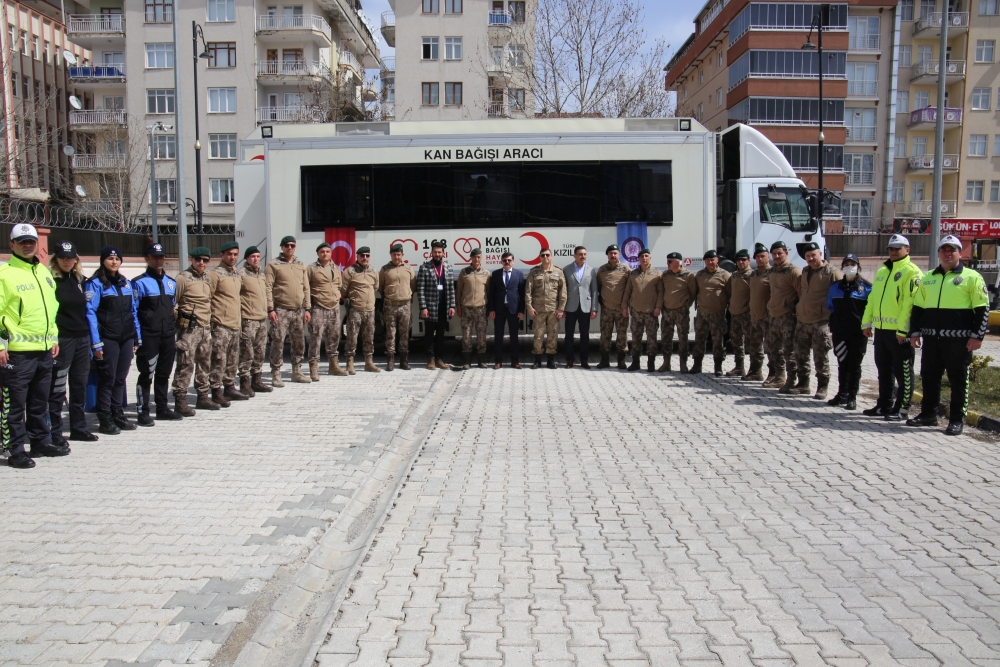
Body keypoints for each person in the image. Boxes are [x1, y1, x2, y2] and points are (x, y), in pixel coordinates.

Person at [906, 235, 990, 436]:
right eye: (944, 249)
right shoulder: (929, 278)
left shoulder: (972, 277)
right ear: (939, 253)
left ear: (960, 253)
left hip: (959, 341)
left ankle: (956, 420)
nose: (948, 253)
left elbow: (982, 309)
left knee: (958, 380)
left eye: (952, 250)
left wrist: (977, 336)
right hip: (932, 339)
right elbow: (917, 308)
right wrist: (914, 332)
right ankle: (928, 415)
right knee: (929, 378)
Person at [0, 224, 65, 469]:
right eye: (22, 241)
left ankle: (39, 441)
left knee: (39, 402)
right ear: (12, 244)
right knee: (14, 405)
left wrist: (54, 338)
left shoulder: (44, 272)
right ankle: (15, 449)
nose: (27, 245)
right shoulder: (5, 274)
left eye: (31, 241)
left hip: (44, 350)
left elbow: (52, 310)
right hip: (16, 352)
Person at [861, 234, 922, 420]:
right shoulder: (883, 271)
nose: (893, 252)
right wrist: (866, 322)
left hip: (899, 333)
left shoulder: (912, 272)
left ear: (907, 250)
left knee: (903, 373)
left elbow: (909, 304)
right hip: (881, 330)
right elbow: (872, 299)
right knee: (884, 371)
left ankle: (902, 408)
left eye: (898, 248)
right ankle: (884, 404)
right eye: (891, 249)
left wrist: (903, 330)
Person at [85, 246, 141, 435]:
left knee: (120, 378)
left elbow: (133, 311)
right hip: (107, 338)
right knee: (107, 379)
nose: (114, 262)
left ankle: (118, 413)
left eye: (117, 259)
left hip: (125, 337)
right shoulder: (95, 284)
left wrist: (136, 336)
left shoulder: (125, 283)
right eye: (110, 258)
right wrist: (96, 343)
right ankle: (105, 417)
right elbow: (90, 313)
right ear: (103, 261)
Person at [48, 241, 97, 445]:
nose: (67, 261)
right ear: (56, 259)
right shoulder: (50, 281)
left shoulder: (80, 280)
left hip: (82, 338)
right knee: (57, 387)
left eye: (71, 257)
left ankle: (78, 427)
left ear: (76, 259)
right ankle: (55, 432)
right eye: (63, 257)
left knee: (79, 385)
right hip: (62, 339)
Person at [131, 242, 182, 425]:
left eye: (161, 257)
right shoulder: (138, 283)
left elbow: (172, 308)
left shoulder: (171, 283)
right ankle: (142, 411)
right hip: (148, 335)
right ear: (147, 259)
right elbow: (133, 312)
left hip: (167, 335)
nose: (158, 260)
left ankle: (162, 408)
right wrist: (137, 337)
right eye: (154, 257)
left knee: (163, 373)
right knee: (147, 374)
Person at [789, 242, 841, 398]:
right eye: (807, 256)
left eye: (813, 255)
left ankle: (822, 387)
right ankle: (803, 384)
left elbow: (839, 297)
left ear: (820, 254)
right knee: (800, 354)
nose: (811, 258)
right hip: (803, 320)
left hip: (821, 321)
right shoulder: (805, 271)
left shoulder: (832, 272)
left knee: (820, 356)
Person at [173, 246, 216, 414]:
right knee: (185, 364)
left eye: (205, 260)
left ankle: (203, 396)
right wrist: (179, 318)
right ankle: (180, 399)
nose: (201, 263)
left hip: (205, 327)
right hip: (189, 329)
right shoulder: (183, 278)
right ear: (191, 259)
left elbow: (209, 300)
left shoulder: (207, 279)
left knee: (204, 363)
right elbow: (172, 302)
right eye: (198, 259)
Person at [826, 253, 871, 410]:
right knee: (842, 363)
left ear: (858, 267)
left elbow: (870, 310)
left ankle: (852, 396)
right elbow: (830, 306)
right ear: (842, 267)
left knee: (855, 365)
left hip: (858, 334)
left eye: (853, 264)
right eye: (846, 264)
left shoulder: (866, 288)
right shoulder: (835, 287)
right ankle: (842, 394)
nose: (849, 267)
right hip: (840, 333)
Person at [266, 235, 311, 386]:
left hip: (298, 310)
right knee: (278, 341)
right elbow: (268, 287)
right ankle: (276, 373)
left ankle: (297, 371)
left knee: (299, 342)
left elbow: (306, 287)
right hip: (281, 310)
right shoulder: (273, 264)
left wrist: (307, 308)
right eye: (286, 245)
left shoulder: (300, 264)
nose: (289, 247)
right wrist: (270, 309)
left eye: (292, 245)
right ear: (282, 247)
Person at [209, 241, 248, 406]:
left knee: (233, 358)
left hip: (235, 324)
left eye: (235, 254)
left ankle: (230, 387)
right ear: (222, 255)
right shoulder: (215, 274)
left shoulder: (237, 274)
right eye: (229, 254)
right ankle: (216, 391)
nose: (232, 257)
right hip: (221, 324)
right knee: (219, 359)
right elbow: (208, 298)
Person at [764, 241, 802, 389]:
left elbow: (801, 293)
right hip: (773, 316)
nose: (777, 256)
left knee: (789, 350)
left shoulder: (793, 271)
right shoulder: (773, 271)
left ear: (786, 253)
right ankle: (779, 377)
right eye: (774, 254)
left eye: (780, 253)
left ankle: (792, 379)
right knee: (774, 349)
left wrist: (795, 312)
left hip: (787, 317)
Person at [238, 246, 273, 396]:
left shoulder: (262, 275)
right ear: (246, 258)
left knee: (260, 351)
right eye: (252, 256)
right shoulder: (241, 275)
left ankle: (257, 380)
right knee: (247, 352)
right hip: (248, 319)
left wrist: (270, 309)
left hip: (261, 318)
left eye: (258, 256)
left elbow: (267, 293)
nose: (256, 259)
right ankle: (244, 382)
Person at [525, 248, 567, 369]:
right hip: (538, 310)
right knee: (538, 335)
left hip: (553, 310)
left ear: (551, 256)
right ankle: (537, 360)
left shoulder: (558, 272)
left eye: (547, 255)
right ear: (540, 257)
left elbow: (562, 292)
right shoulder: (534, 272)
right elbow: (528, 291)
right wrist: (529, 307)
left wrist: (561, 308)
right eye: (543, 255)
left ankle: (551, 360)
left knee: (552, 335)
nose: (545, 257)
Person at [309, 242, 346, 378]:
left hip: (333, 307)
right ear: (318, 254)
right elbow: (306, 288)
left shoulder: (335, 268)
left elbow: (339, 285)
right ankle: (313, 367)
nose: (325, 254)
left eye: (327, 251)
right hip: (318, 306)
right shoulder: (311, 269)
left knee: (334, 336)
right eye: (322, 252)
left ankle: (333, 365)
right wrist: (307, 307)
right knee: (316, 337)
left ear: (331, 253)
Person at [691, 250, 731, 376]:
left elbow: (730, 293)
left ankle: (718, 366)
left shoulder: (724, 275)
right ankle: (697, 364)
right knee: (699, 340)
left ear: (717, 260)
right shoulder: (700, 275)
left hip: (717, 313)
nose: (710, 262)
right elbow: (695, 291)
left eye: (712, 259)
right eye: (707, 260)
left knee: (718, 341)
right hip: (702, 313)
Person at [417, 241, 456, 370]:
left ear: (443, 253)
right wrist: (423, 307)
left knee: (441, 336)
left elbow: (451, 288)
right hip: (430, 308)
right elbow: (420, 289)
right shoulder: (425, 267)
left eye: (440, 252)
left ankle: (439, 359)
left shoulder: (448, 268)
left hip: (443, 308)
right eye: (435, 252)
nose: (437, 254)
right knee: (429, 335)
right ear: (431, 253)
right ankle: (430, 360)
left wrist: (452, 306)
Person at [622, 248, 662, 372]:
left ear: (650, 257)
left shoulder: (657, 274)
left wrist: (658, 307)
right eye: (642, 256)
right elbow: (627, 291)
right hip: (636, 311)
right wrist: (624, 307)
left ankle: (651, 363)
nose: (644, 258)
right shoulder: (633, 274)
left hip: (651, 312)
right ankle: (635, 362)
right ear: (638, 259)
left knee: (652, 338)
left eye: (646, 256)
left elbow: (661, 292)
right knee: (636, 337)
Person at [342, 246, 380, 374]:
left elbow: (375, 287)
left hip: (369, 310)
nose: (365, 258)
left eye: (367, 255)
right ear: (357, 257)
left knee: (369, 337)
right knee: (352, 337)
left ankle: (368, 362)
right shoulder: (350, 271)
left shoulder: (374, 271)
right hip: (355, 310)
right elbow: (344, 290)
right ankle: (349, 363)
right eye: (362, 255)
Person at [379, 243, 416, 371]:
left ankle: (403, 361)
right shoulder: (385, 269)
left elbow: (413, 285)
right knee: (390, 333)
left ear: (402, 255)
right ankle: (390, 361)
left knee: (404, 333)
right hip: (390, 306)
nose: (396, 257)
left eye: (399, 254)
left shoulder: (408, 268)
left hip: (405, 305)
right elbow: (381, 287)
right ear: (391, 255)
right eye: (394, 254)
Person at [658, 252, 696, 373]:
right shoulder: (665, 275)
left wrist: (685, 305)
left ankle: (683, 364)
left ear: (678, 263)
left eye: (670, 261)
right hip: (667, 311)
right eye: (667, 261)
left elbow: (693, 292)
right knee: (665, 337)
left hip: (681, 311)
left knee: (683, 337)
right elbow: (661, 291)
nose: (667, 264)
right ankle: (666, 362)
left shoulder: (688, 275)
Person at [488, 252, 525, 369]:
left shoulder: (518, 274)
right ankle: (498, 361)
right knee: (498, 336)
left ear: (513, 261)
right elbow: (491, 294)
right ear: (501, 262)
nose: (507, 262)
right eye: (504, 260)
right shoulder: (495, 274)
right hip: (499, 309)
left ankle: (515, 361)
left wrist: (521, 310)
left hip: (513, 310)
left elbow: (522, 294)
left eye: (509, 260)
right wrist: (492, 309)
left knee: (514, 337)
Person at [562, 246, 598, 368]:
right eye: (580, 254)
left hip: (585, 307)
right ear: (574, 255)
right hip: (570, 307)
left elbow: (594, 291)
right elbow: (563, 290)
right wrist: (562, 308)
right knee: (569, 335)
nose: (583, 256)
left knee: (584, 335)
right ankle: (570, 360)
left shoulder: (591, 270)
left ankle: (584, 360)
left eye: (584, 254)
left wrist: (594, 308)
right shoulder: (566, 269)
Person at [595, 245, 630, 369]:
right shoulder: (602, 270)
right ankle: (605, 360)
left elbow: (630, 288)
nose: (613, 255)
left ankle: (621, 361)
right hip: (607, 309)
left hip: (621, 309)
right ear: (607, 255)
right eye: (610, 253)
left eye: (615, 253)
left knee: (622, 335)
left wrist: (626, 305)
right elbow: (598, 288)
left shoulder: (626, 269)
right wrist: (602, 302)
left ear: (619, 254)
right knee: (605, 335)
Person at [456, 247, 490, 370]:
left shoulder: (486, 273)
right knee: (466, 336)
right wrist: (459, 306)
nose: (476, 259)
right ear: (471, 258)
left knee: (481, 336)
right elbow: (459, 291)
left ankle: (481, 361)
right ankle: (467, 361)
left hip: (481, 309)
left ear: (481, 258)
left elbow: (489, 292)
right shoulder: (464, 272)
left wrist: (489, 308)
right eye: (474, 257)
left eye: (479, 257)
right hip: (467, 309)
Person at [746, 243, 772, 382]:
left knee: (771, 347)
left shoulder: (772, 273)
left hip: (767, 317)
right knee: (754, 345)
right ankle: (755, 371)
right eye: (758, 257)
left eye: (763, 256)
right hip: (755, 316)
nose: (760, 259)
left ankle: (773, 374)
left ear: (768, 257)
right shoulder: (754, 274)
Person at [726, 249, 754, 377]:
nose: (741, 262)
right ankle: (739, 367)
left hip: (747, 314)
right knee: (737, 342)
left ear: (748, 260)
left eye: (743, 259)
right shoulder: (735, 275)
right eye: (738, 260)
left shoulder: (752, 275)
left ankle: (754, 370)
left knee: (752, 343)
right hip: (735, 314)